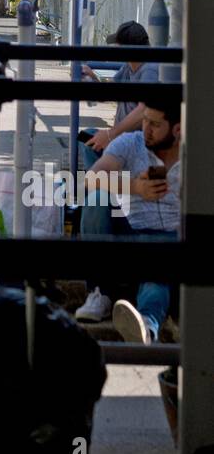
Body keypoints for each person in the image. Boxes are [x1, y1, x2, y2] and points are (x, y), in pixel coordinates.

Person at [75, 20, 162, 324]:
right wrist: (93, 77)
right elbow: (117, 92)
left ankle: (101, 291)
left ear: (128, 47)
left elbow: (142, 109)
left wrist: (111, 136)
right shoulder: (132, 67)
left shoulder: (150, 70)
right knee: (88, 139)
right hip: (125, 151)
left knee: (97, 195)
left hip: (131, 154)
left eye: (118, 46)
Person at [82, 87, 181, 345]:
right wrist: (135, 187)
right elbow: (92, 177)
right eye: (145, 119)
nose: (146, 128)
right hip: (131, 227)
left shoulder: (195, 154)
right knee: (96, 198)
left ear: (178, 129)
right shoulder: (131, 143)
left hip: (172, 237)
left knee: (156, 268)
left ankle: (146, 327)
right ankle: (99, 292)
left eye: (156, 124)